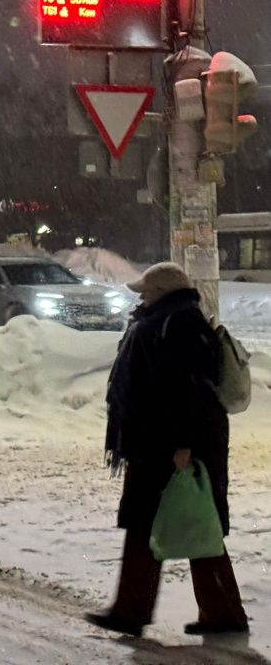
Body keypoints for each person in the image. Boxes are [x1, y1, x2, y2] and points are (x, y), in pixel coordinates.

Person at [86, 262, 248, 637]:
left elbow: (184, 390)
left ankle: (134, 610)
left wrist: (183, 445)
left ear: (163, 291)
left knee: (171, 523)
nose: (141, 296)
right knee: (188, 523)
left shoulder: (177, 325)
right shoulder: (170, 320)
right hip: (160, 441)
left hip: (170, 446)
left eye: (147, 290)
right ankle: (221, 612)